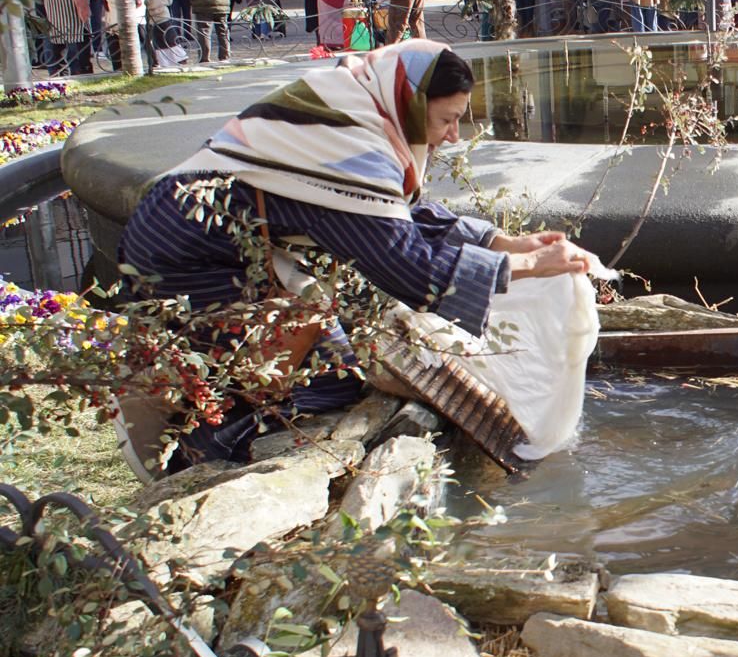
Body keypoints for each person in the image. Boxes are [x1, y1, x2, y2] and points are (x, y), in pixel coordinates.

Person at [117, 42, 595, 468]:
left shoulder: (358, 108)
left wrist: (502, 243)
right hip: (184, 253)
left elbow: (398, 212)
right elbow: (409, 268)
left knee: (333, 376)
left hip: (217, 242)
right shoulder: (344, 142)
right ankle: (199, 455)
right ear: (411, 103)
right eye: (447, 119)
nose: (453, 136)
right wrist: (528, 267)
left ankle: (216, 426)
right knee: (299, 375)